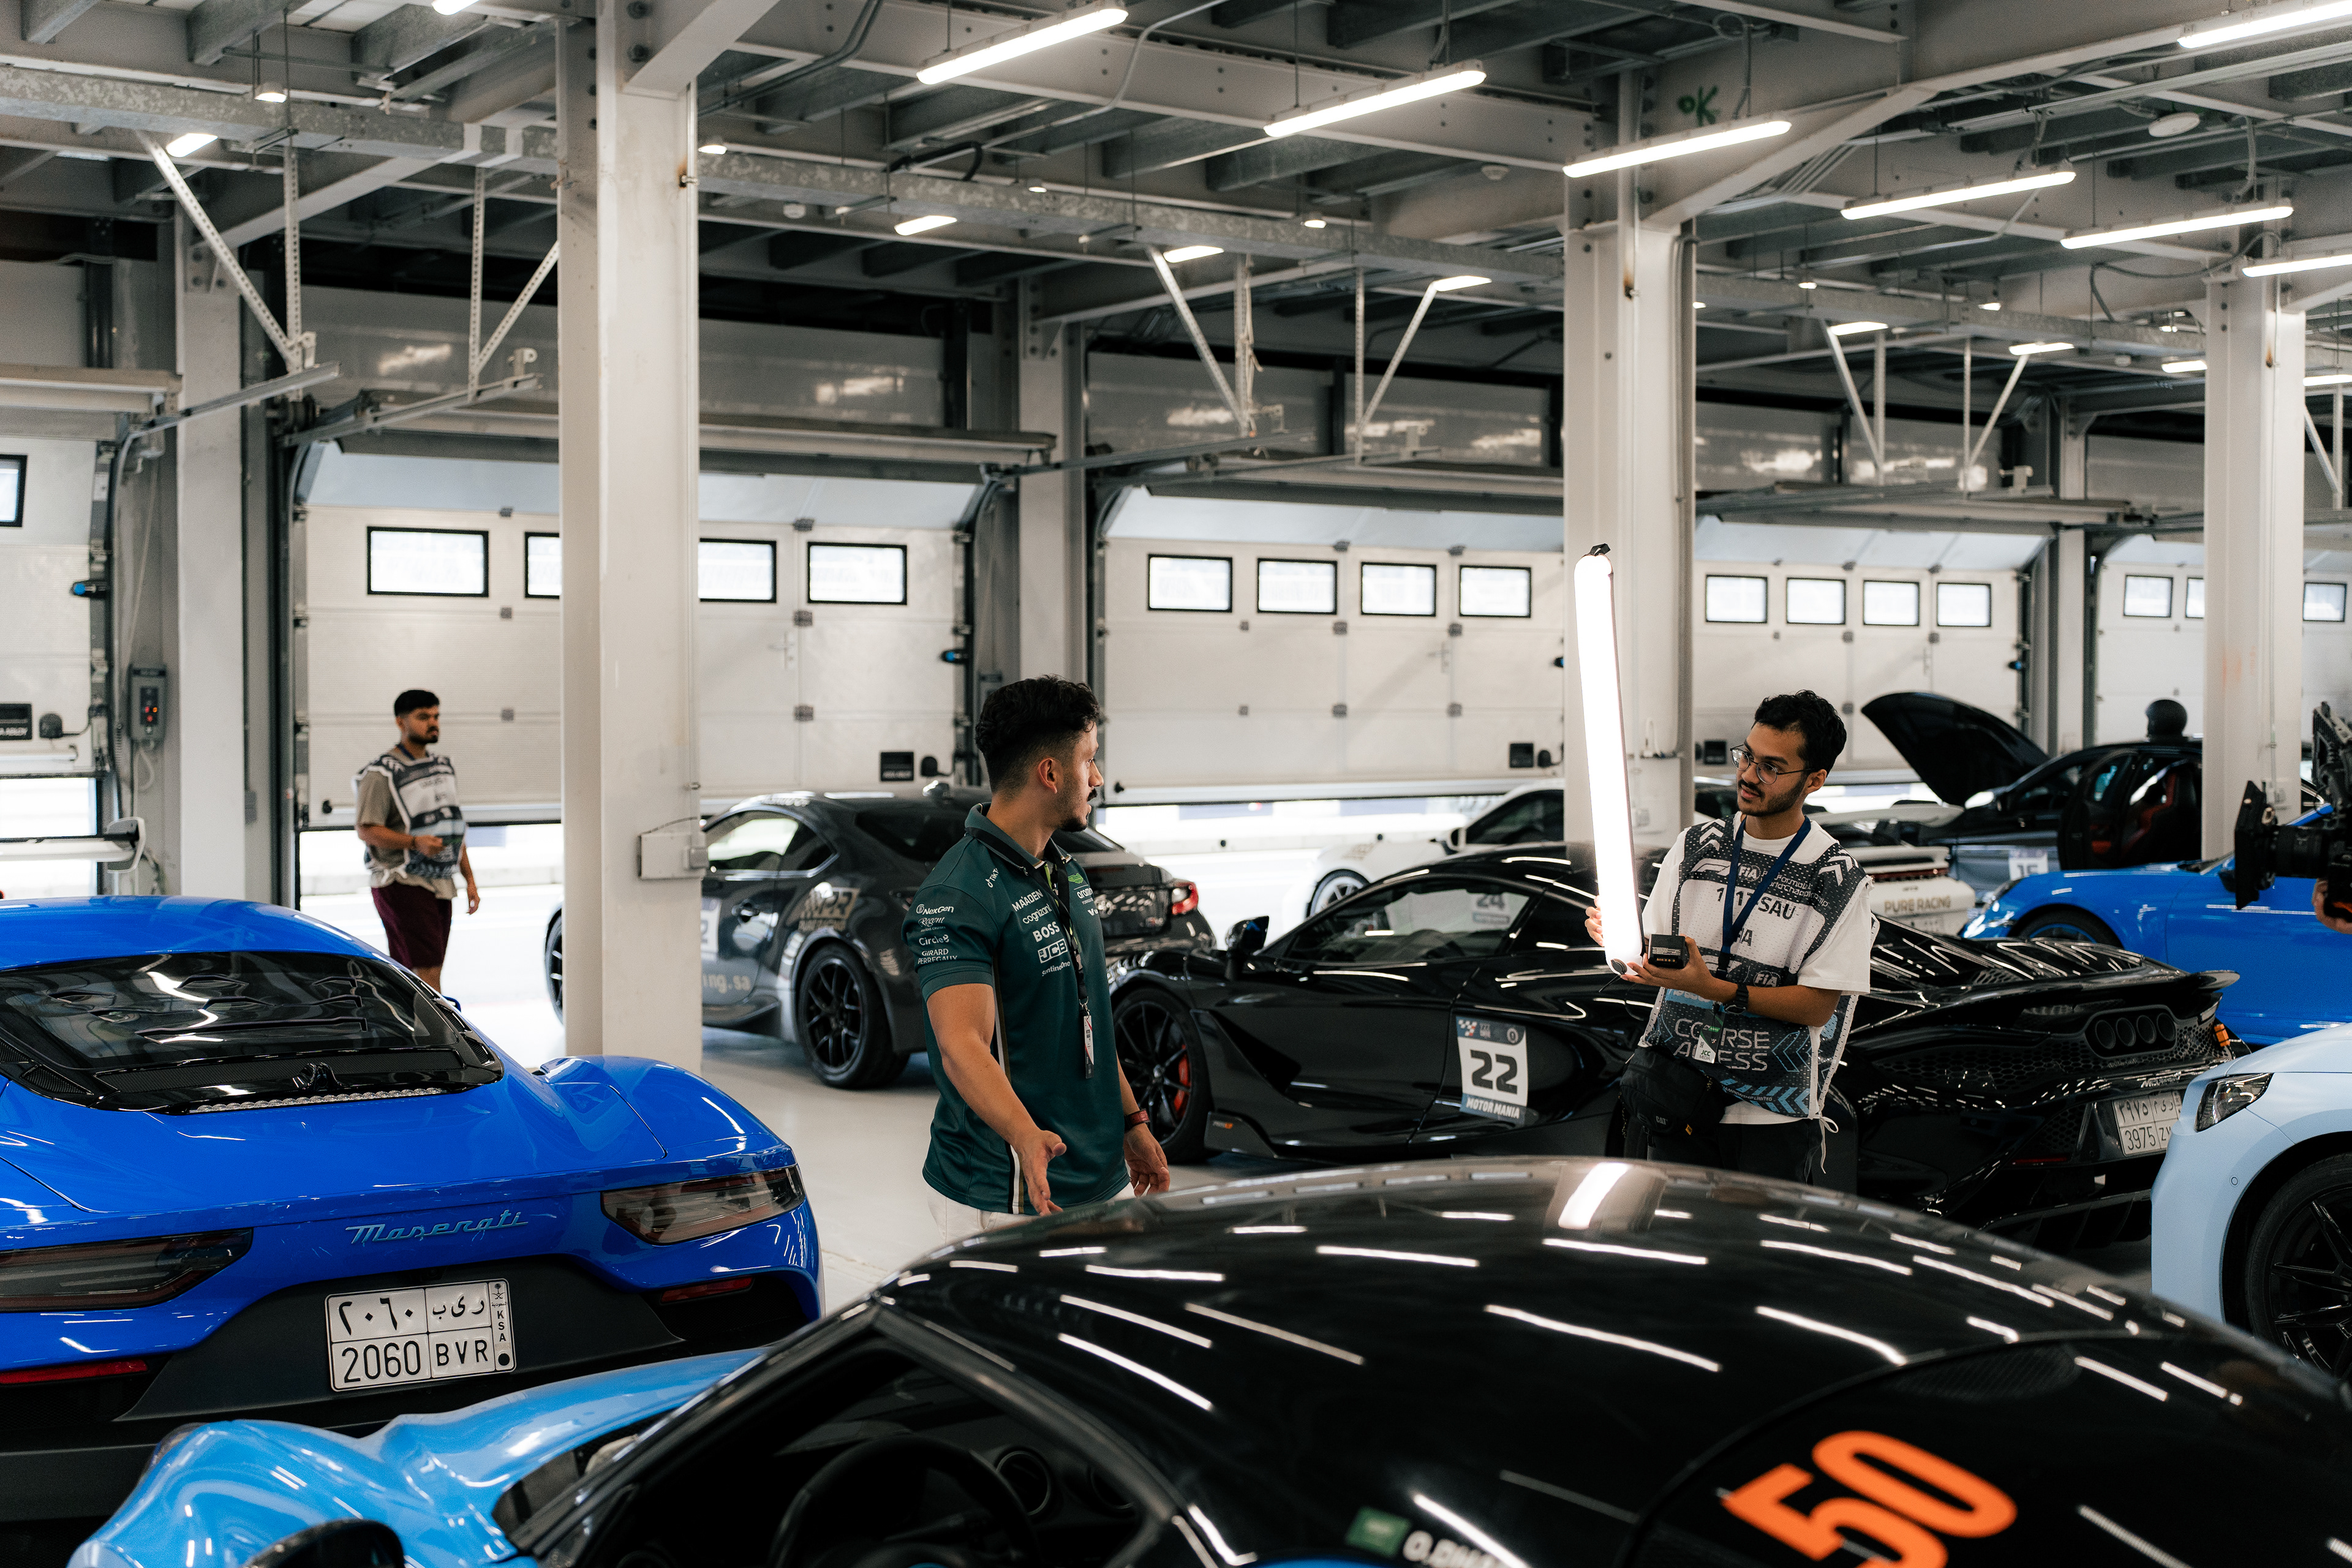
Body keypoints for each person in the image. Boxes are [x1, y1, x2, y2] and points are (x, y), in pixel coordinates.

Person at [904, 676, 1170, 1237]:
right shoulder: (958, 894)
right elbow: (960, 1046)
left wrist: (1131, 1121)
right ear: (1050, 773)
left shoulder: (1063, 872)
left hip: (1100, 1175)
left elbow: (1086, 1019)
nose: (1097, 778)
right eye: (1088, 760)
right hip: (1012, 1189)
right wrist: (1026, 1137)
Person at [1588, 690, 1874, 1182]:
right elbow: (1655, 959)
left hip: (1768, 1117)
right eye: (1747, 756)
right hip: (1676, 1096)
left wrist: (1715, 989)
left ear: (1814, 780)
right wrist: (1621, 943)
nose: (1747, 775)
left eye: (1771, 767)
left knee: (1755, 1235)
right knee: (1676, 1231)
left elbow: (1817, 1007)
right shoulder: (1696, 846)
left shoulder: (1835, 878)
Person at [354, 690, 478, 992]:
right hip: (403, 882)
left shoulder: (443, 767)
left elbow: (453, 828)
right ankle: (434, 1026)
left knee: (416, 975)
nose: (433, 723)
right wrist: (414, 842)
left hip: (440, 883)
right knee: (428, 974)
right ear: (401, 722)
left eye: (436, 716)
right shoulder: (381, 773)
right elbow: (366, 829)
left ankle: (411, 1023)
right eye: (423, 717)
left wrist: (470, 879)